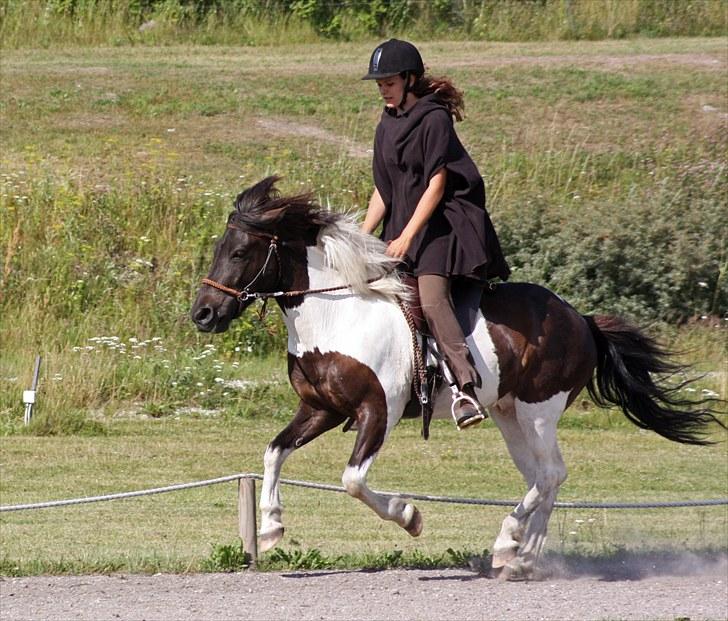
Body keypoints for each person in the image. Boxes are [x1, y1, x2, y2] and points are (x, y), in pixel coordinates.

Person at [360, 39, 510, 430]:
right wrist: (361, 237)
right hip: (406, 225)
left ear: (410, 79)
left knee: (430, 298)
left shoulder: (434, 119)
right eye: (379, 84)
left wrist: (408, 237)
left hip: (445, 224)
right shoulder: (387, 123)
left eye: (389, 82)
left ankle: (465, 389)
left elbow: (437, 183)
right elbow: (384, 190)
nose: (383, 89)